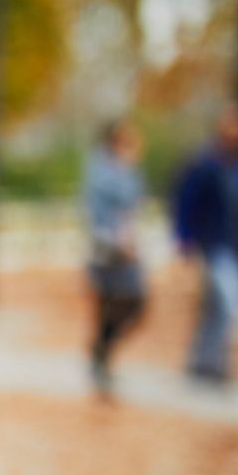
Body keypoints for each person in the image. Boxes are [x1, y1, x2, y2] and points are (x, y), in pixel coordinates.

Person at [173, 102, 238, 385]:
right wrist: (184, 238)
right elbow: (185, 201)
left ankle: (199, 361)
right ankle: (215, 363)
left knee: (212, 305)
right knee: (227, 303)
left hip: (233, 243)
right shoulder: (205, 161)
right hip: (214, 243)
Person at [82, 119, 146, 394]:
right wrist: (112, 238)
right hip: (107, 250)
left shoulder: (128, 169)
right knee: (109, 304)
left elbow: (133, 209)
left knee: (133, 304)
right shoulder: (100, 172)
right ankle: (101, 362)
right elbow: (94, 211)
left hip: (128, 249)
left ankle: (100, 352)